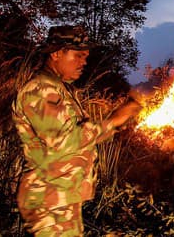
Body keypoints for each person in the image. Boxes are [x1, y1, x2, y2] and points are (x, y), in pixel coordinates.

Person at [12, 25, 142, 236]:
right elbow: (64, 140)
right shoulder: (40, 90)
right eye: (78, 55)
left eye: (86, 56)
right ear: (56, 53)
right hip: (48, 200)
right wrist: (111, 122)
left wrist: (116, 127)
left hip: (62, 197)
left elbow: (80, 135)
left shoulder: (60, 90)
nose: (84, 62)